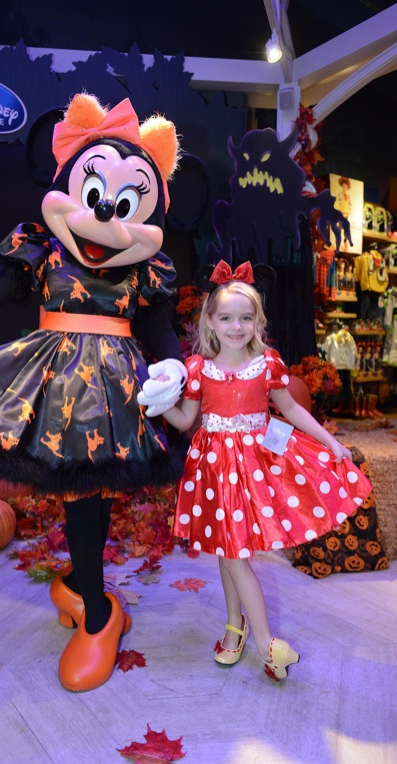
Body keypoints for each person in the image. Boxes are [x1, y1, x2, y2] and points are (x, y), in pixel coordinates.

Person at [0, 93, 187, 692]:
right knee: (80, 493)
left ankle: (81, 591)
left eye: (125, 204)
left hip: (117, 394)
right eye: (95, 194)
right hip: (57, 387)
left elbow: (161, 329)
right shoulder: (44, 250)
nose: (104, 215)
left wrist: (175, 368)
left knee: (97, 492)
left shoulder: (146, 271)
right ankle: (98, 614)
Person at [154, 259, 373, 681]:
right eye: (226, 318)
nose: (236, 327)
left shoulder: (268, 363)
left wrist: (330, 442)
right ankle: (242, 632)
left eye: (245, 318)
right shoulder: (198, 368)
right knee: (229, 551)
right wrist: (159, 402)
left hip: (256, 466)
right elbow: (185, 420)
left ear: (258, 321)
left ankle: (262, 642)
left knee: (235, 554)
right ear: (210, 321)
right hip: (214, 469)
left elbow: (290, 409)